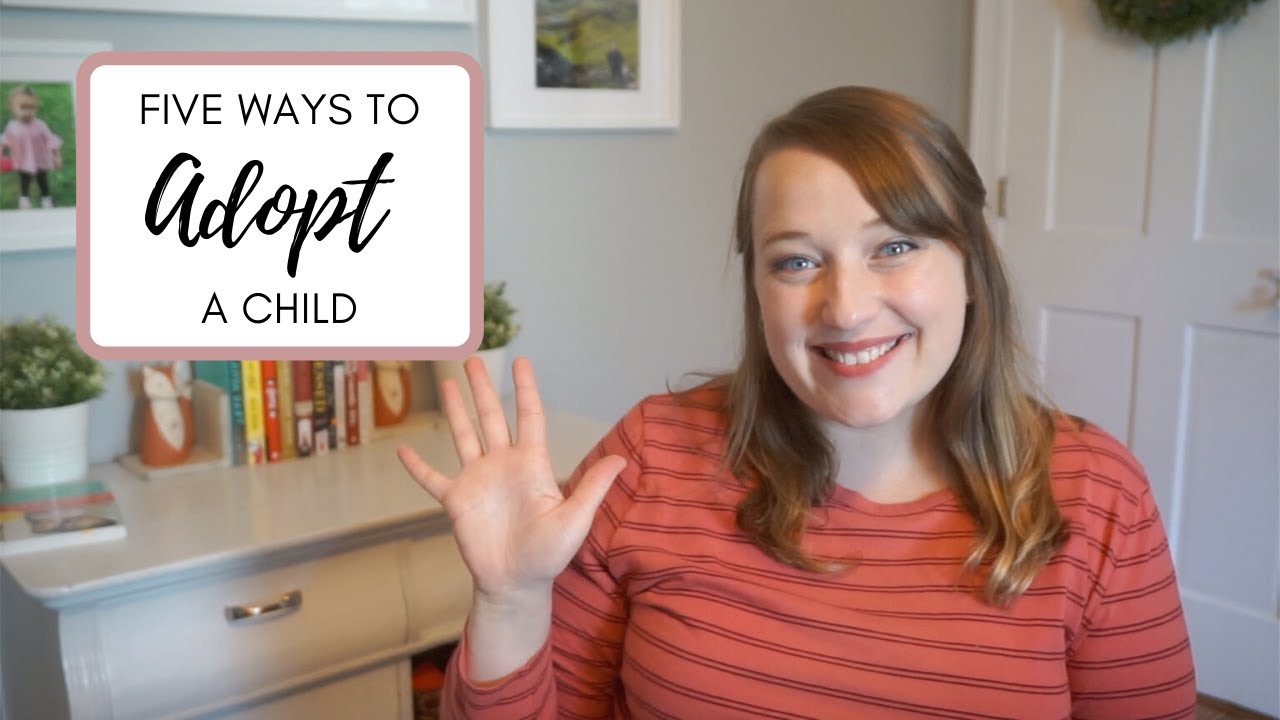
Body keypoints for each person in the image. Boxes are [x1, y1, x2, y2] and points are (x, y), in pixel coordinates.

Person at [397, 86, 1196, 718]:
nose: (845, 308)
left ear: (970, 270)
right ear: (757, 289)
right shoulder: (649, 460)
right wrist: (510, 600)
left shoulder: (1098, 498)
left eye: (894, 247)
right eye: (797, 262)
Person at [1, 85, 64, 210]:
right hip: (22, 159)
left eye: (31, 108)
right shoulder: (12, 126)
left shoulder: (40, 125)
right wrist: (2, 154)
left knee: (42, 179)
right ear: (13, 108)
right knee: (24, 179)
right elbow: (5, 141)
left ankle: (46, 198)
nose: (28, 112)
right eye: (23, 107)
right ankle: (24, 199)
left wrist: (57, 157)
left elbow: (51, 141)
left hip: (40, 159)